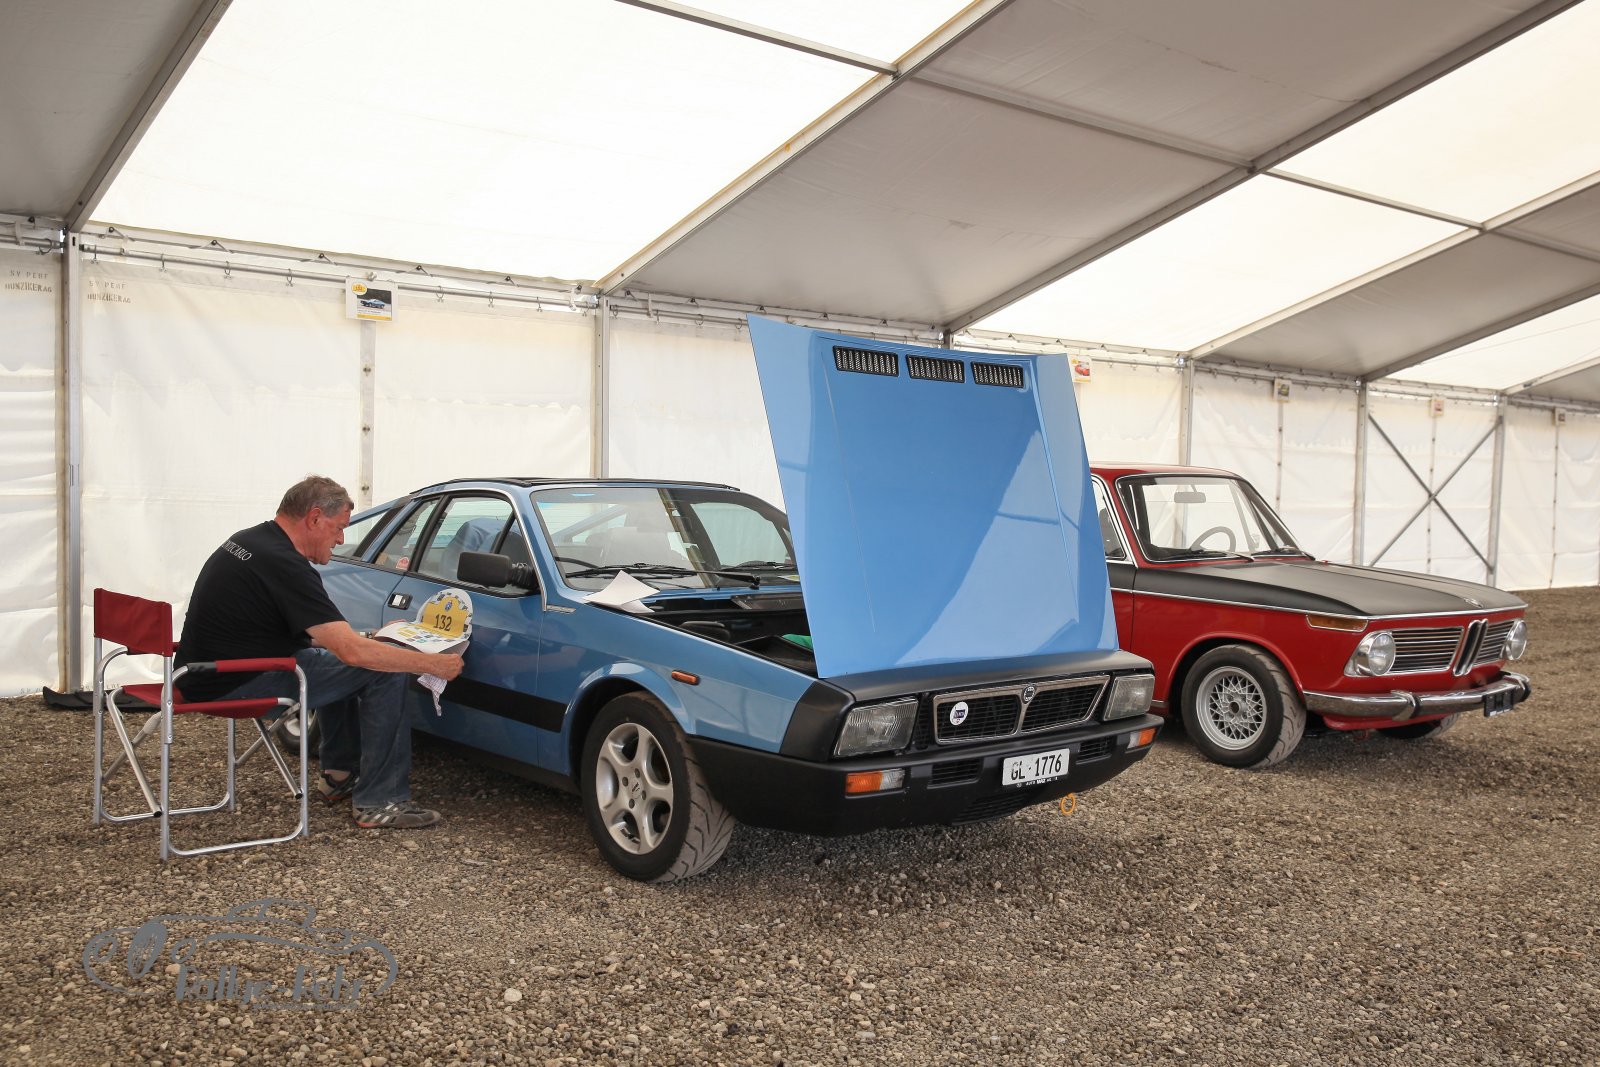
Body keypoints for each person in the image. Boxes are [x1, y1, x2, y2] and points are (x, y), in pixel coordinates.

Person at [176, 475, 464, 829]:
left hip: (204, 673)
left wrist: (367, 638)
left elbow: (316, 636)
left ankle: (339, 774)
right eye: (339, 528)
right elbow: (353, 653)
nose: (341, 539)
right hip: (232, 682)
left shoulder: (250, 540)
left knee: (337, 663)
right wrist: (432, 663)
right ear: (314, 518)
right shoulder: (286, 565)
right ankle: (380, 801)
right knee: (382, 669)